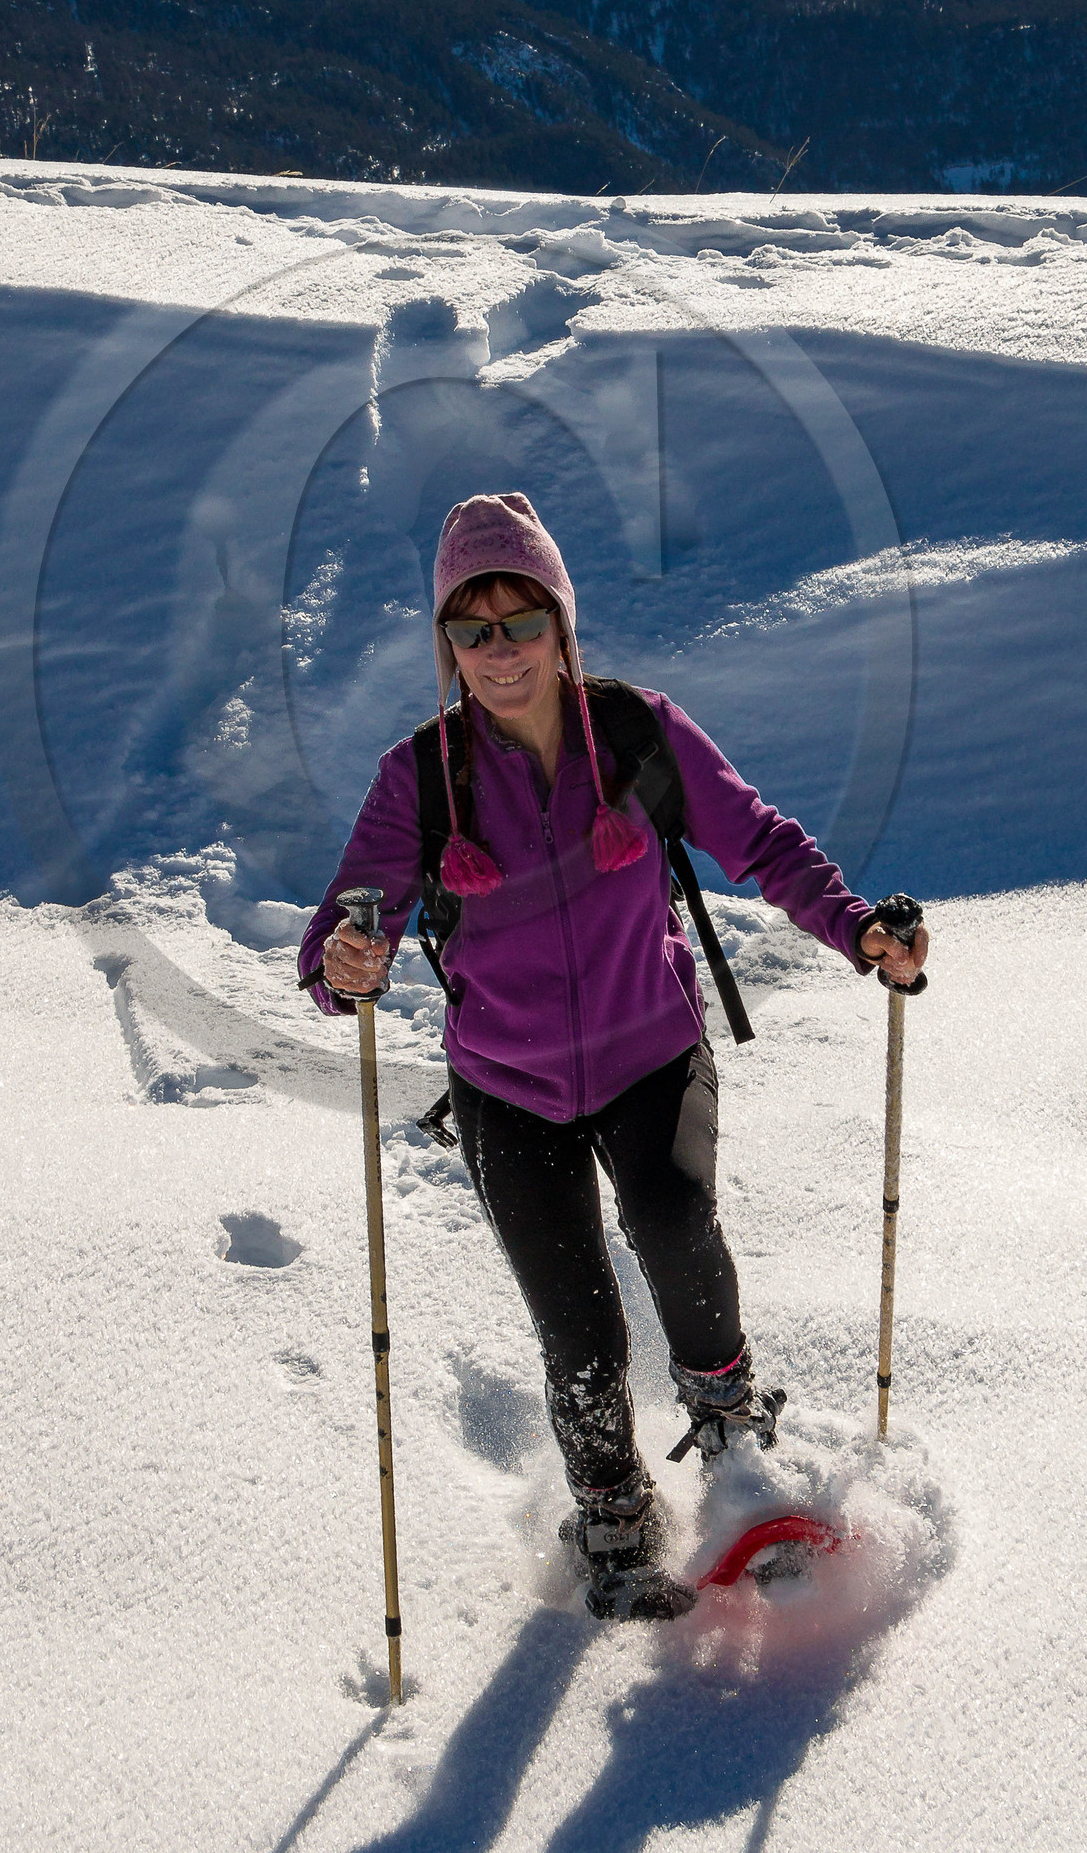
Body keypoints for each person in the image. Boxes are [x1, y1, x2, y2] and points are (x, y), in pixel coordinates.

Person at [298, 492, 929, 1621]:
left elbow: (759, 840)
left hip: (651, 1053)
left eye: (520, 621)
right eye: (471, 629)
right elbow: (352, 917)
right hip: (507, 1087)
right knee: (576, 1321)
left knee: (674, 1220)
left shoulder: (639, 734)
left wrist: (857, 930)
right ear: (446, 645)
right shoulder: (422, 780)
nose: (499, 652)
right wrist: (344, 958)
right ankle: (612, 1510)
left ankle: (740, 1457)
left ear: (561, 624)